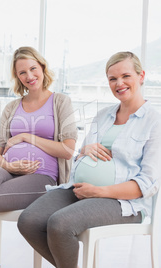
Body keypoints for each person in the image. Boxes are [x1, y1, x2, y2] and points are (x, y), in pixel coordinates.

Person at [17, 51, 161, 268]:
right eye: (112, 79)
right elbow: (79, 161)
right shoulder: (103, 116)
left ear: (141, 76)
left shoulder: (154, 120)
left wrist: (100, 192)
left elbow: (147, 183)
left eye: (126, 76)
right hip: (80, 188)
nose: (119, 83)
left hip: (124, 202)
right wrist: (84, 150)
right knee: (28, 221)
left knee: (60, 224)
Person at [0, 46, 78, 268]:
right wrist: (11, 165)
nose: (29, 76)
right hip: (8, 171)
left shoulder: (60, 102)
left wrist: (27, 137)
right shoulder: (12, 107)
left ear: (42, 67)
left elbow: (68, 150)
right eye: (22, 73)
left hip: (43, 177)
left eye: (33, 69)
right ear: (17, 77)